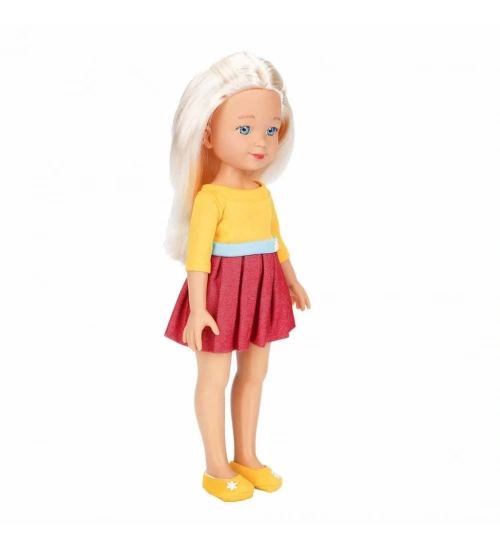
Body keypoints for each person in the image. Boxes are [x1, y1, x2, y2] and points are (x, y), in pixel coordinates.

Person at [163, 51, 311, 502]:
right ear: (207, 135)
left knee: (255, 373)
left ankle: (246, 455)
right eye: (244, 129)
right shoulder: (210, 197)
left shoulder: (262, 193)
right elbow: (198, 258)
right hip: (221, 291)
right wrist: (199, 309)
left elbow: (275, 241)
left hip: (263, 287)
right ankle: (216, 467)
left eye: (271, 129)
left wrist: (291, 279)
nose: (260, 142)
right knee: (215, 377)